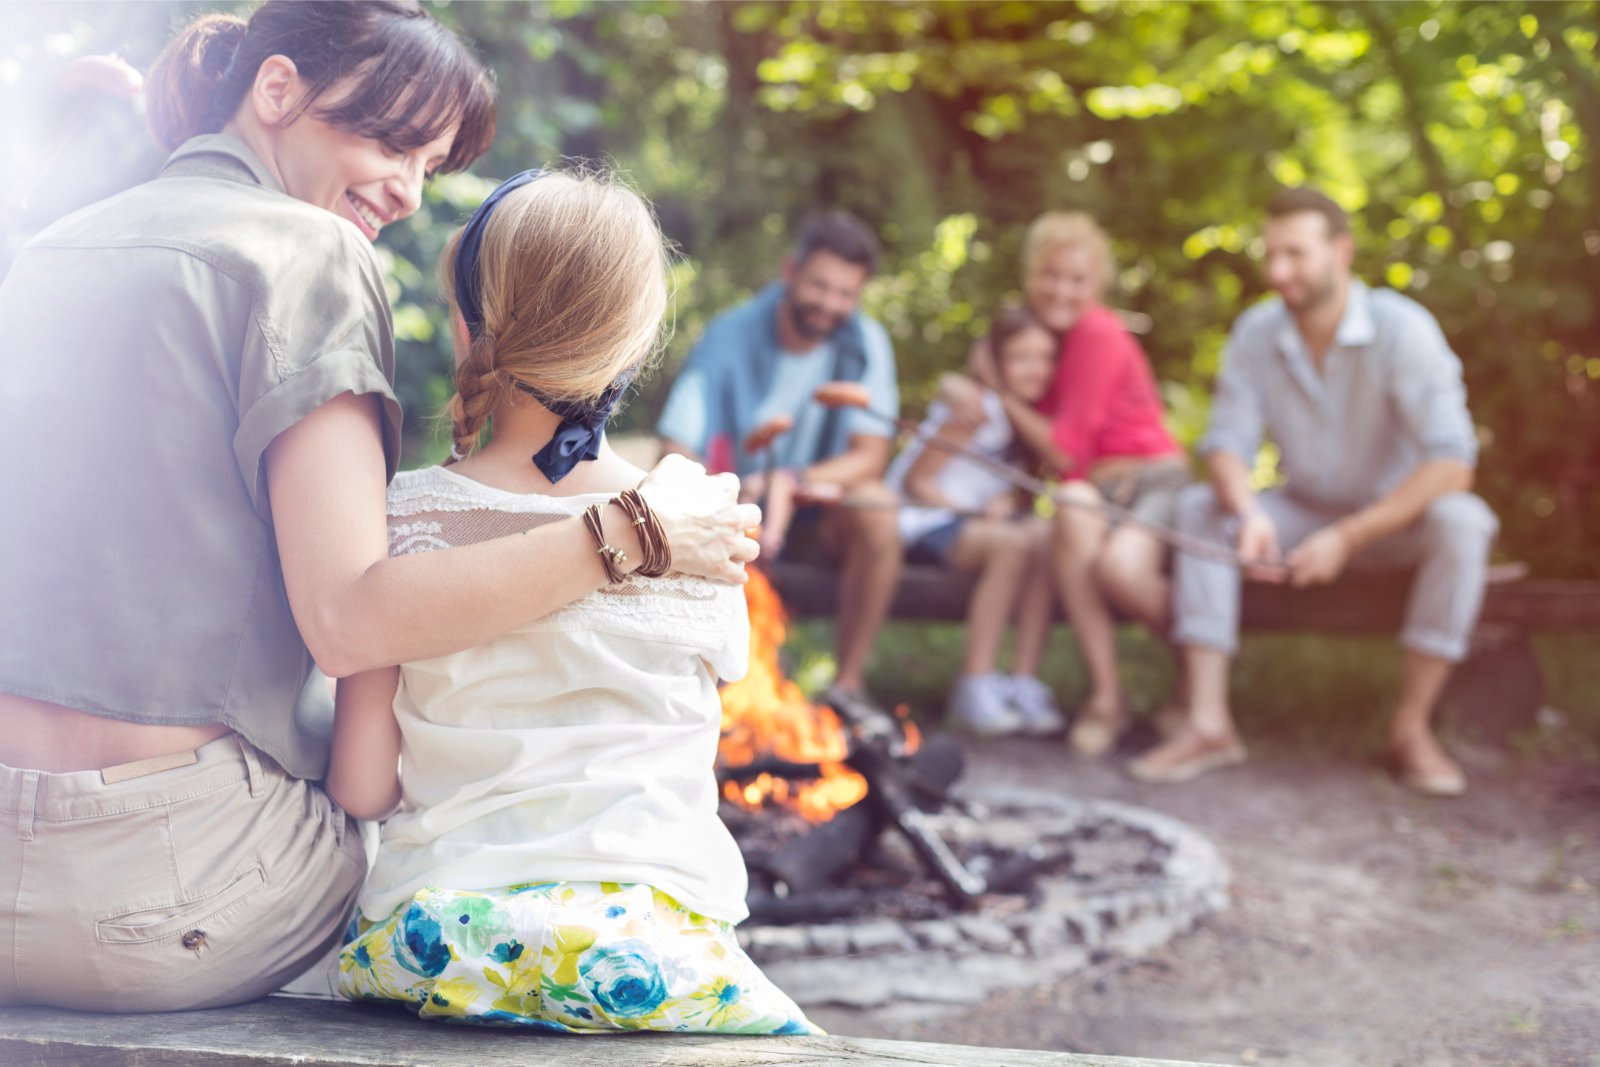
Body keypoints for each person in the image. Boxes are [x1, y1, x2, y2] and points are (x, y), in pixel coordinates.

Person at [0, 2, 756, 1013]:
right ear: (275, 89)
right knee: (418, 854)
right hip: (160, 900)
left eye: (429, 166)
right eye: (393, 143)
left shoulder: (52, 247)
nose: (405, 192)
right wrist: (630, 532)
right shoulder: (308, 247)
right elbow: (352, 619)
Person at [328, 168, 817, 1035]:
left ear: (467, 321)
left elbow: (363, 785)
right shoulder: (698, 520)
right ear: (634, 342)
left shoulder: (400, 517)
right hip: (647, 953)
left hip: (440, 941)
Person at [1130, 187, 1496, 795]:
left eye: (1295, 255)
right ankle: (1208, 722)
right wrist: (1248, 511)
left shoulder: (1402, 329)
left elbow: (1452, 462)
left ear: (1341, 251)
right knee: (1201, 506)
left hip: (1391, 524)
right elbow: (1226, 441)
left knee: (1465, 521)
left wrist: (1348, 537)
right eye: (1271, 255)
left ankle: (1412, 727)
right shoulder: (1257, 331)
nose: (1278, 272)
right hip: (1301, 511)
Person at [954, 211, 1190, 756]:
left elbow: (1064, 450)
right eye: (1050, 275)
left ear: (1096, 286)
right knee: (1072, 507)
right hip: (1092, 494)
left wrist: (1002, 393)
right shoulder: (1041, 344)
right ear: (1031, 274)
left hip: (1151, 480)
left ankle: (1197, 678)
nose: (1062, 289)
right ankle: (1107, 701)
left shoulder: (1097, 333)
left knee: (1120, 568)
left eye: (1077, 280)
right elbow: (1035, 451)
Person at [657, 210, 902, 720]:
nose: (830, 304)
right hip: (740, 509)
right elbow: (677, 447)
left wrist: (793, 481)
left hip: (820, 512)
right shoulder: (729, 335)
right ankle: (713, 695)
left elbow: (870, 455)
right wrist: (729, 495)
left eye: (845, 294)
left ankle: (848, 688)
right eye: (819, 286)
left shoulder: (866, 342)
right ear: (790, 273)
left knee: (879, 507)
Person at [887, 306, 1062, 736]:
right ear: (997, 361)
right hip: (922, 520)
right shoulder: (978, 408)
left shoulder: (1030, 419)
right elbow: (917, 480)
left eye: (1045, 357)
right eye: (1021, 357)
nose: (1035, 369)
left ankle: (1023, 680)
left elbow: (999, 484)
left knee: (1042, 535)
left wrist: (1000, 502)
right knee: (1011, 544)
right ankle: (976, 682)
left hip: (968, 523)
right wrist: (975, 512)